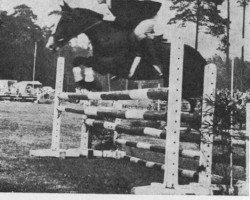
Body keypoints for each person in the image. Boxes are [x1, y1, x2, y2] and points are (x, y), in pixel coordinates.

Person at [97, 0, 163, 78]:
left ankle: (152, 55)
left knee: (137, 33)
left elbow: (127, 20)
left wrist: (113, 20)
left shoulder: (116, 2)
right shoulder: (110, 4)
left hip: (149, 18)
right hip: (139, 20)